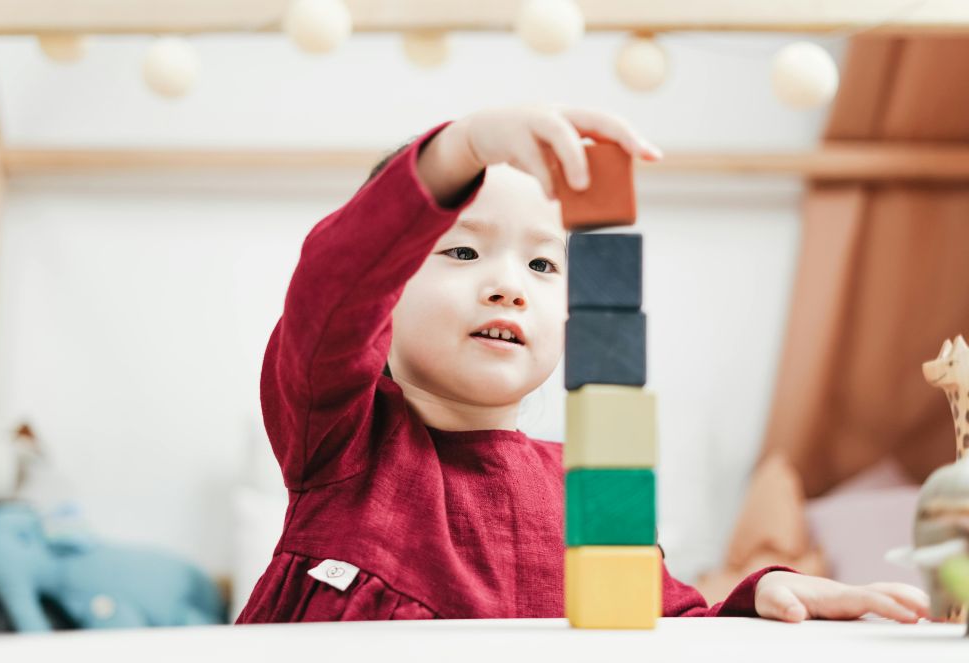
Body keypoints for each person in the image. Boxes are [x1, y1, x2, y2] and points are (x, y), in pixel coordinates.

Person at [236, 105, 930, 624]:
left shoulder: (589, 490)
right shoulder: (339, 443)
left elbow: (664, 626)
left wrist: (755, 601)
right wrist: (464, 148)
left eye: (542, 263)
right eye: (462, 251)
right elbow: (333, 285)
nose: (508, 284)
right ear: (385, 295)